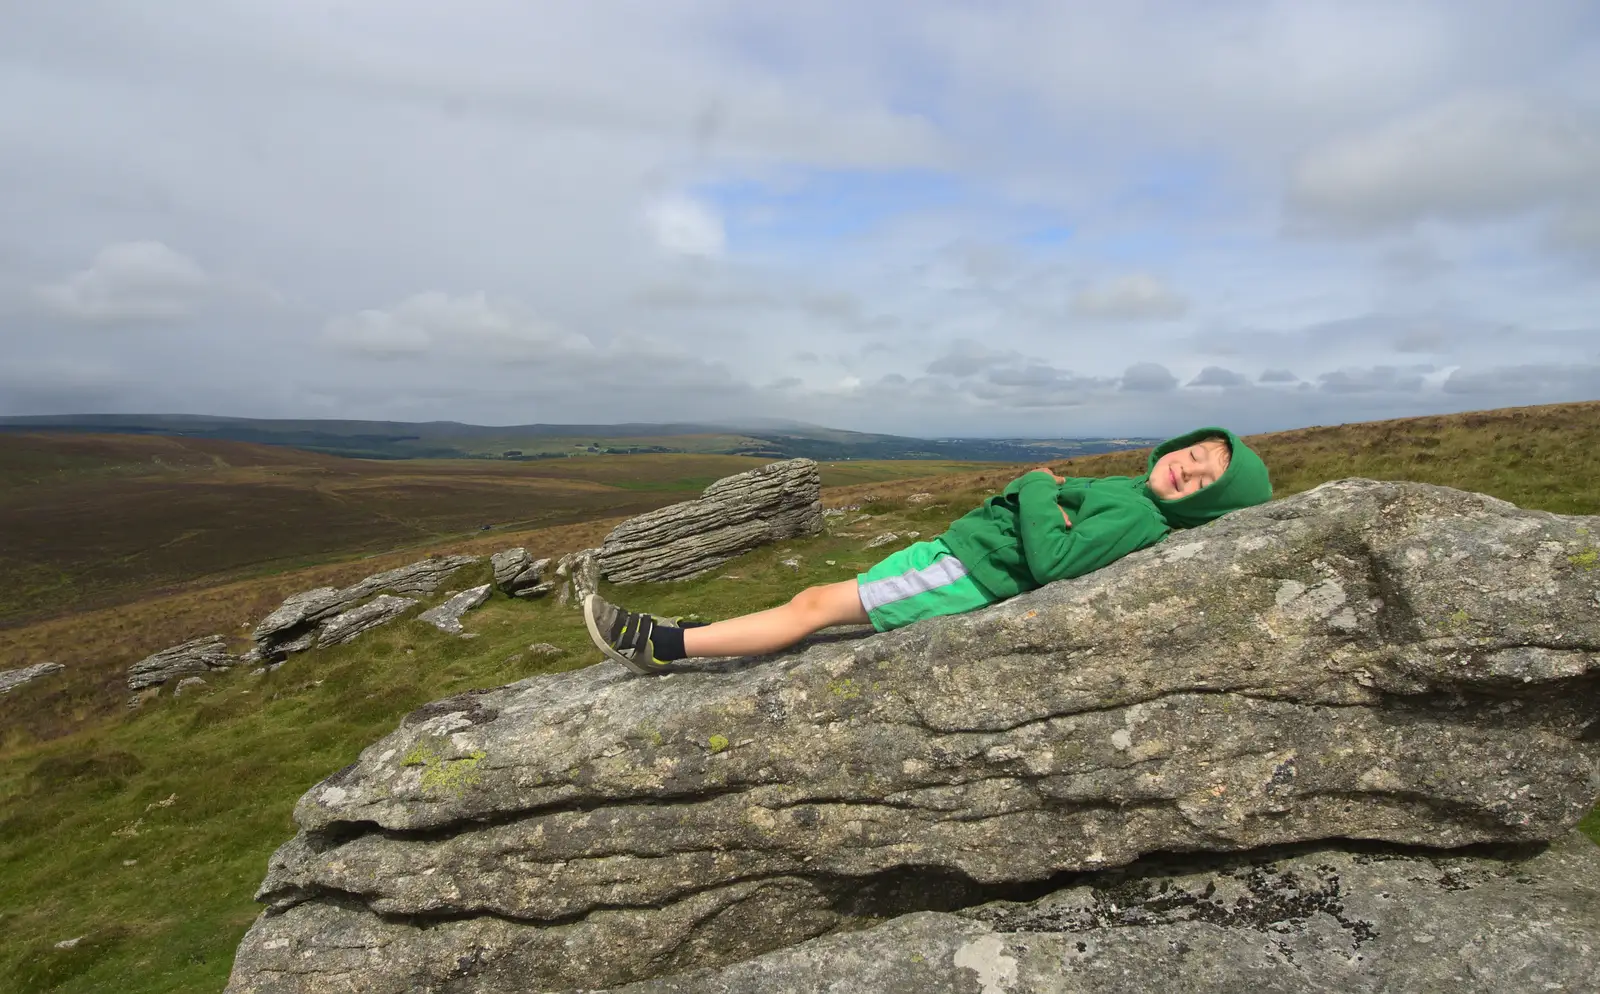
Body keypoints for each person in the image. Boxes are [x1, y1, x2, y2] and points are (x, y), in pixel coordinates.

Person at [584, 426, 1271, 674]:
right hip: (954, 556)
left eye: (1208, 479)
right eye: (1195, 453)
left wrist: (1034, 482)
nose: (1189, 468)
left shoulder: (1138, 515)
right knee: (813, 602)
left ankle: (662, 647)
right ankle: (699, 637)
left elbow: (1056, 561)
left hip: (962, 575)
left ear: (1208, 504)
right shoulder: (1130, 491)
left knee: (816, 604)